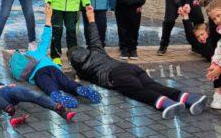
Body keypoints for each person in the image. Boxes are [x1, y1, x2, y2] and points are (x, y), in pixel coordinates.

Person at [69, 15, 206, 118]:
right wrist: (91, 18)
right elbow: (94, 37)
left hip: (116, 76)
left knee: (138, 91)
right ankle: (189, 98)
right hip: (130, 68)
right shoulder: (96, 50)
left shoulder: (83, 70)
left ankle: (166, 103)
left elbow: (76, 79)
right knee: (154, 85)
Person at [9, 5, 103, 109]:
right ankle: (78, 89)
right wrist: (48, 17)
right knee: (66, 82)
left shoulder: (22, 64)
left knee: (48, 86)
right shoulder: (38, 52)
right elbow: (46, 38)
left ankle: (56, 94)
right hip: (51, 67)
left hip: (38, 74)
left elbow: (19, 76)